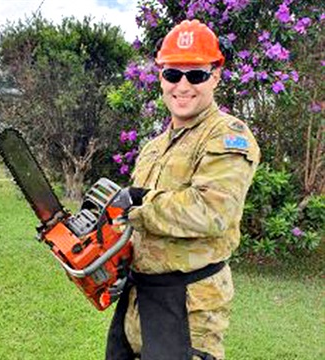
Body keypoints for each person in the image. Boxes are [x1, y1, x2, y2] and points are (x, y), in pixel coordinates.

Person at [106, 19, 260, 360]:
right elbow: (136, 229)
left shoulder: (227, 136)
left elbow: (212, 211)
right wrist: (111, 256)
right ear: (161, 77)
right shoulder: (153, 148)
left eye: (197, 74)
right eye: (173, 74)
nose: (183, 86)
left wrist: (136, 206)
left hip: (189, 307)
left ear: (216, 75)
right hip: (138, 302)